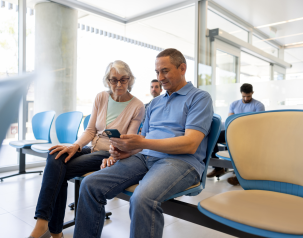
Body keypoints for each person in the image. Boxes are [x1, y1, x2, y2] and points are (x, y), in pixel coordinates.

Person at [74, 48, 213, 238]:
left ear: (182, 68)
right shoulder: (155, 104)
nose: (160, 77)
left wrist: (144, 144)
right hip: (145, 157)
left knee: (143, 198)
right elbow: (143, 143)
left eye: (165, 70)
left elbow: (190, 144)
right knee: (90, 184)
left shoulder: (199, 98)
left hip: (181, 162)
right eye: (157, 72)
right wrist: (126, 152)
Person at [28, 60, 145, 238]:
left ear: (130, 80)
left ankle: (51, 229)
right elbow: (90, 130)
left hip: (109, 154)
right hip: (92, 149)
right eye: (114, 80)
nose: (119, 84)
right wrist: (75, 146)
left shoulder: (137, 106)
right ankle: (45, 224)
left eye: (124, 79)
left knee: (59, 170)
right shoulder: (101, 97)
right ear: (107, 80)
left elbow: (128, 142)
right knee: (55, 155)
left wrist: (116, 153)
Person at [207, 83, 265, 185]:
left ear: (252, 93)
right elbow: (230, 120)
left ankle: (240, 176)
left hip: (250, 134)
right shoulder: (234, 104)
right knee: (212, 137)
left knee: (241, 145)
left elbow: (258, 123)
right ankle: (218, 168)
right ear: (241, 94)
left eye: (248, 96)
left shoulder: (258, 105)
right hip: (233, 130)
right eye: (244, 96)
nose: (246, 98)